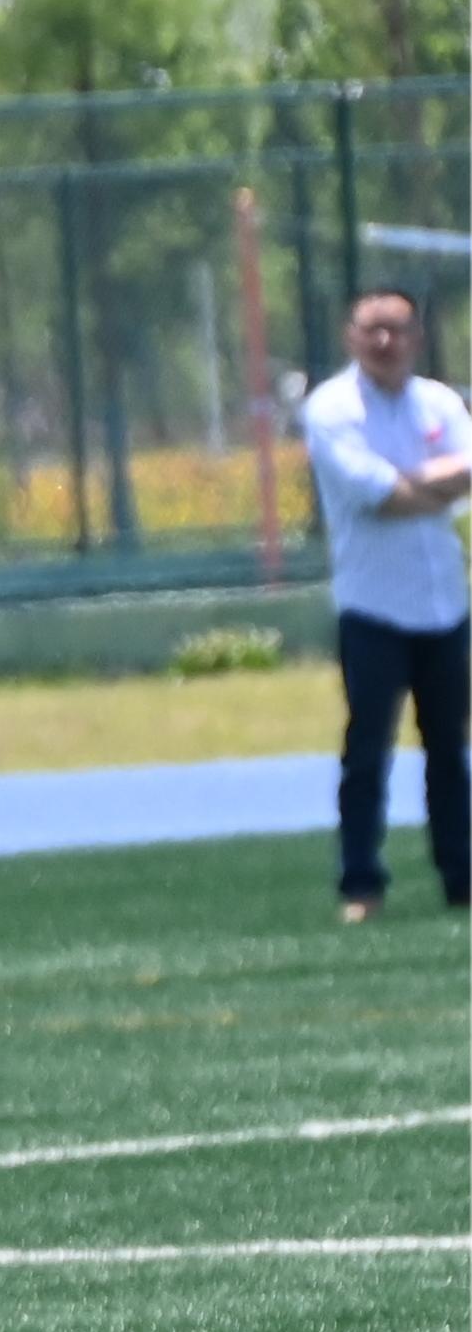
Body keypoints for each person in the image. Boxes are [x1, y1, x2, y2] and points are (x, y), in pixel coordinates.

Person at [303, 284, 471, 924]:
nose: (384, 341)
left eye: (396, 328)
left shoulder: (439, 402)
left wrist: (409, 484)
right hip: (372, 608)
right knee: (368, 752)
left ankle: (462, 879)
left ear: (416, 337)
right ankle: (361, 885)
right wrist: (431, 485)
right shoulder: (332, 409)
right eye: (371, 328)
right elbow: (377, 497)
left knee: (449, 751)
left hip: (444, 605)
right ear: (350, 337)